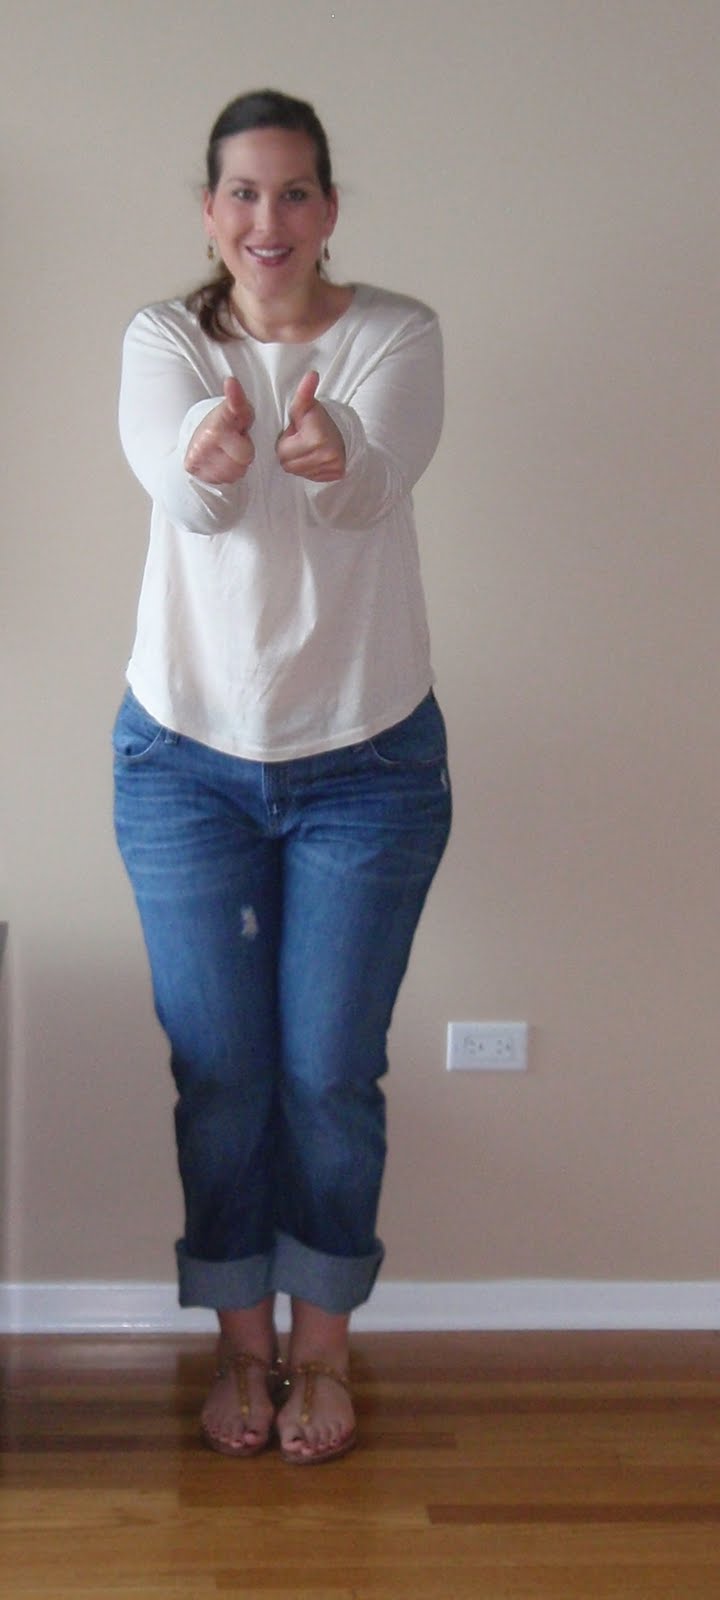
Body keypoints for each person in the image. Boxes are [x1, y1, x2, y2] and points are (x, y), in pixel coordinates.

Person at [114, 88, 451, 1465]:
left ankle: (323, 1353)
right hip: (184, 758)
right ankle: (240, 1348)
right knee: (220, 1075)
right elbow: (187, 495)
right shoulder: (164, 340)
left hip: (367, 761)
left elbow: (372, 480)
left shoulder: (395, 333)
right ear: (211, 212)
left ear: (328, 209)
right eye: (244, 193)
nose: (270, 219)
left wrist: (336, 454)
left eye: (296, 191)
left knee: (328, 1074)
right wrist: (210, 457)